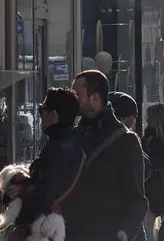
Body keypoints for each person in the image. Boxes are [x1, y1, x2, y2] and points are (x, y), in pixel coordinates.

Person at [63, 69, 148, 241]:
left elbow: (138, 199)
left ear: (95, 99)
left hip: (107, 233)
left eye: (77, 95)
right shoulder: (74, 136)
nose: (72, 100)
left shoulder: (125, 141)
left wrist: (124, 233)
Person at [2, 87, 84, 239]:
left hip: (48, 228)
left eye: (42, 110)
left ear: (53, 115)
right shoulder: (69, 141)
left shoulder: (58, 147)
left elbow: (44, 192)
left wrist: (21, 223)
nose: (40, 117)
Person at [108, 91, 152, 241]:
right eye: (134, 116)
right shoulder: (127, 141)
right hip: (126, 219)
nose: (134, 121)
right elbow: (144, 171)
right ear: (125, 117)